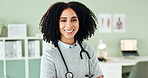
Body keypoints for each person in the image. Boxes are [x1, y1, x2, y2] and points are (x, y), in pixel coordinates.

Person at [40, 1, 104, 78]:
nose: (69, 25)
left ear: (81, 22)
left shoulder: (88, 49)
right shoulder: (50, 54)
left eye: (74, 20)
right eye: (63, 20)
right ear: (55, 24)